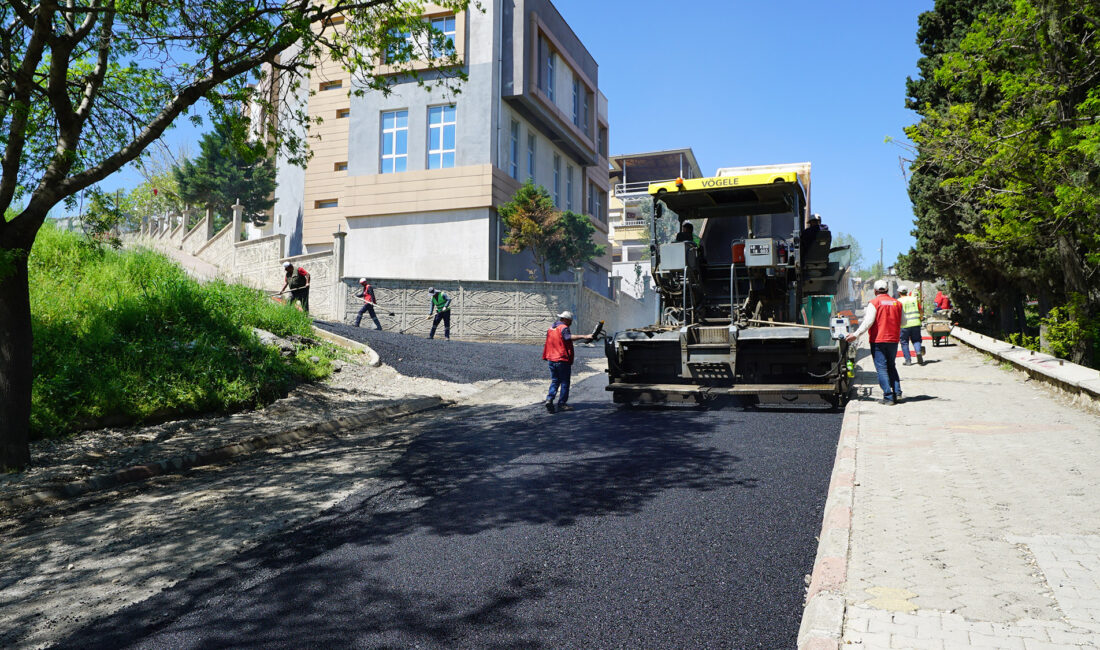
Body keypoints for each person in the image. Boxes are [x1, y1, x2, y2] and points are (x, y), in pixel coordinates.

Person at [846, 279, 904, 404]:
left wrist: (855, 335)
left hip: (878, 340)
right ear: (887, 290)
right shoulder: (897, 303)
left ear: (875, 291)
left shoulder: (874, 303)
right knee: (891, 366)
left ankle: (888, 397)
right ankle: (898, 393)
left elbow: (868, 322)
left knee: (882, 368)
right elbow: (903, 322)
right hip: (893, 340)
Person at [542, 310, 593, 412]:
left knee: (555, 381)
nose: (570, 323)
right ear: (565, 320)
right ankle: (562, 404)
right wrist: (585, 336)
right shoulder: (563, 328)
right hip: (561, 359)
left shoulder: (551, 328)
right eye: (570, 321)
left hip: (551, 359)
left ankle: (549, 399)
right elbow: (568, 337)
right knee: (565, 382)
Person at [898, 285, 924, 366]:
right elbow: (920, 310)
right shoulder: (914, 299)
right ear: (906, 291)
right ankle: (918, 352)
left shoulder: (898, 301)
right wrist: (921, 318)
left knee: (904, 342)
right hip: (916, 323)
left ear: (899, 292)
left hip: (904, 325)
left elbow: (897, 314)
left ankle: (908, 360)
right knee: (916, 340)